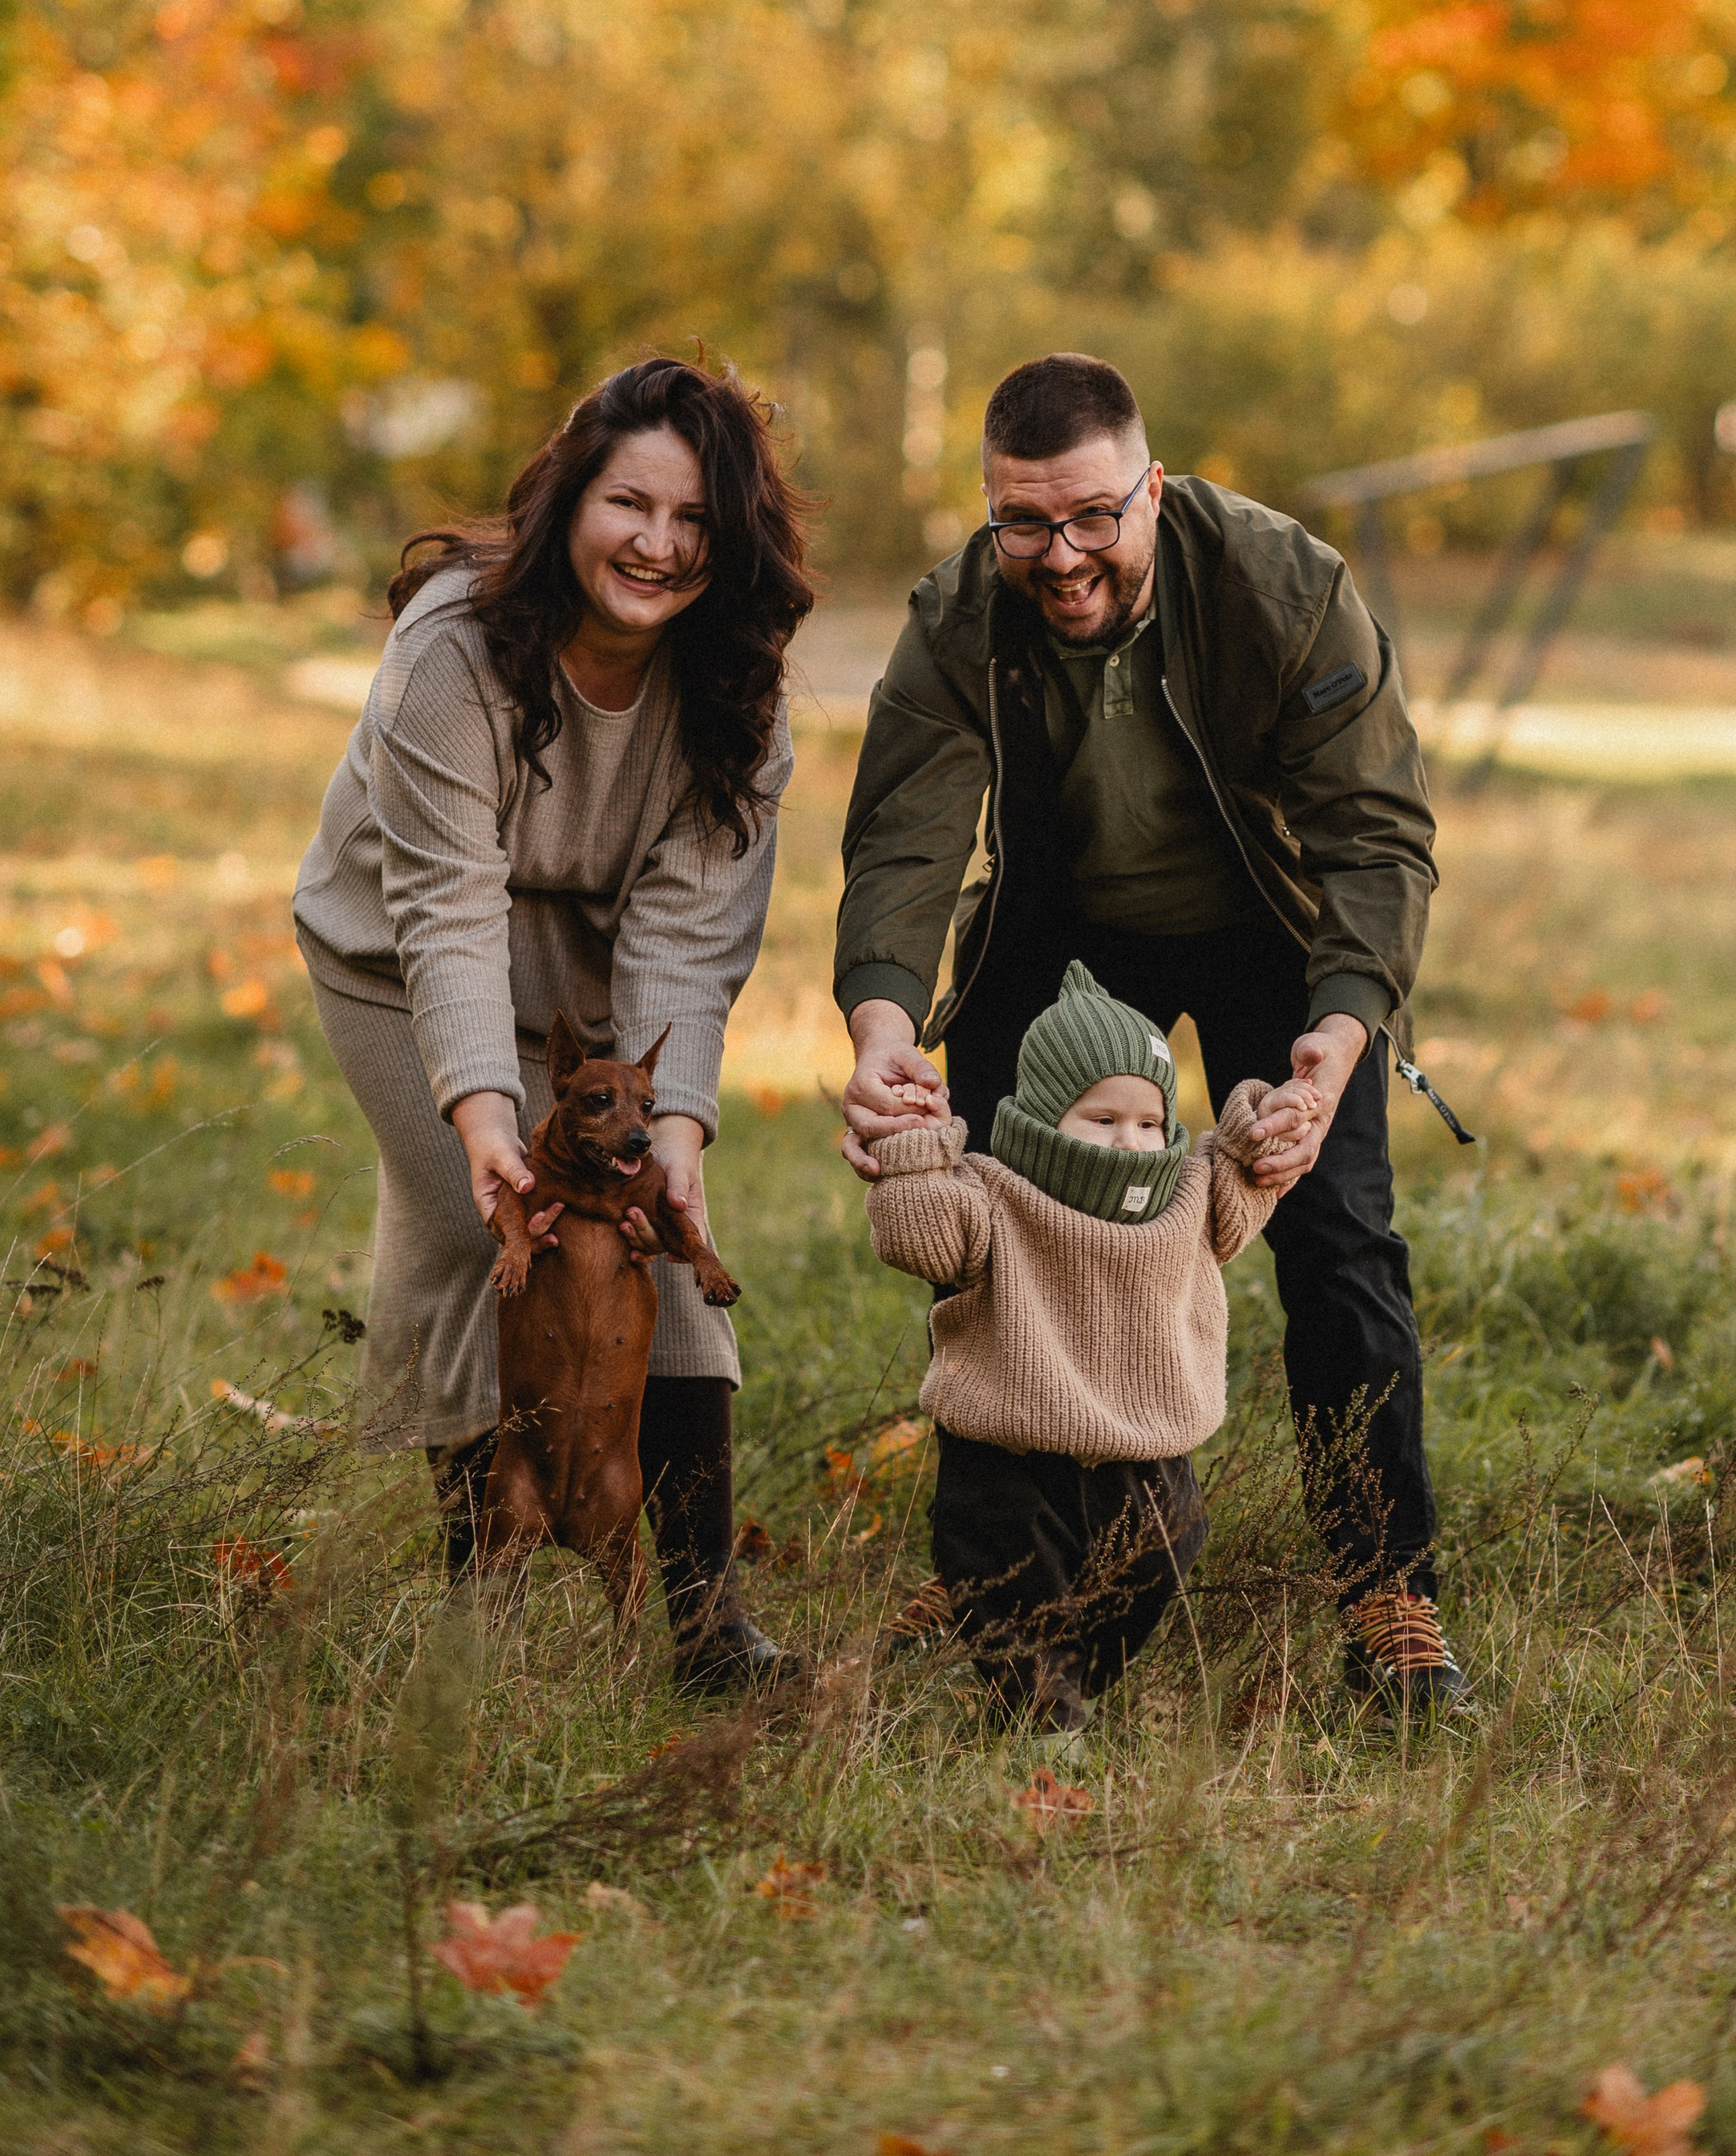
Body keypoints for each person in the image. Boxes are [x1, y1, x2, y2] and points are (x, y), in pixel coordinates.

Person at [836, 352, 1466, 1713]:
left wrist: (1337, 1041)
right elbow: (904, 840)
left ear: (1152, 489)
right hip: (1061, 933)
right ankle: (1003, 1557)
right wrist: (884, 1027)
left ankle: (1388, 1584)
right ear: (990, 506)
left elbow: (1376, 834)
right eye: (1022, 521)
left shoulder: (1280, 583)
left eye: (1091, 518)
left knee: (1340, 1232)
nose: (1058, 556)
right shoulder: (960, 614)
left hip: (1265, 921)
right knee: (1002, 1229)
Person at [294, 355, 809, 1687]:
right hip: (398, 962)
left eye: (695, 519)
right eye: (629, 501)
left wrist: (677, 1122)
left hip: (596, 994)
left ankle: (706, 1624)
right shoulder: (454, 649)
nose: (657, 542)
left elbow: (690, 939)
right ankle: (484, 1608)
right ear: (573, 495)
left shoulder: (739, 691)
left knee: (648, 1237)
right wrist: (480, 1111)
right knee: (506, 1229)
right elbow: (449, 911)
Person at [862, 961, 1304, 1730]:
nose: (1131, 1143)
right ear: (1044, 1119)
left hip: (1149, 1454)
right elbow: (921, 1239)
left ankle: (1073, 1679)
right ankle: (1038, 1712)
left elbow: (1242, 1186)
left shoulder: (1188, 1193)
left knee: (1146, 1575)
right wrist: (914, 1154)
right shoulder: (994, 1194)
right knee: (1011, 1588)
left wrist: (1262, 1126)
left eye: (1148, 1121)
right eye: (1100, 1119)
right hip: (1008, 1454)